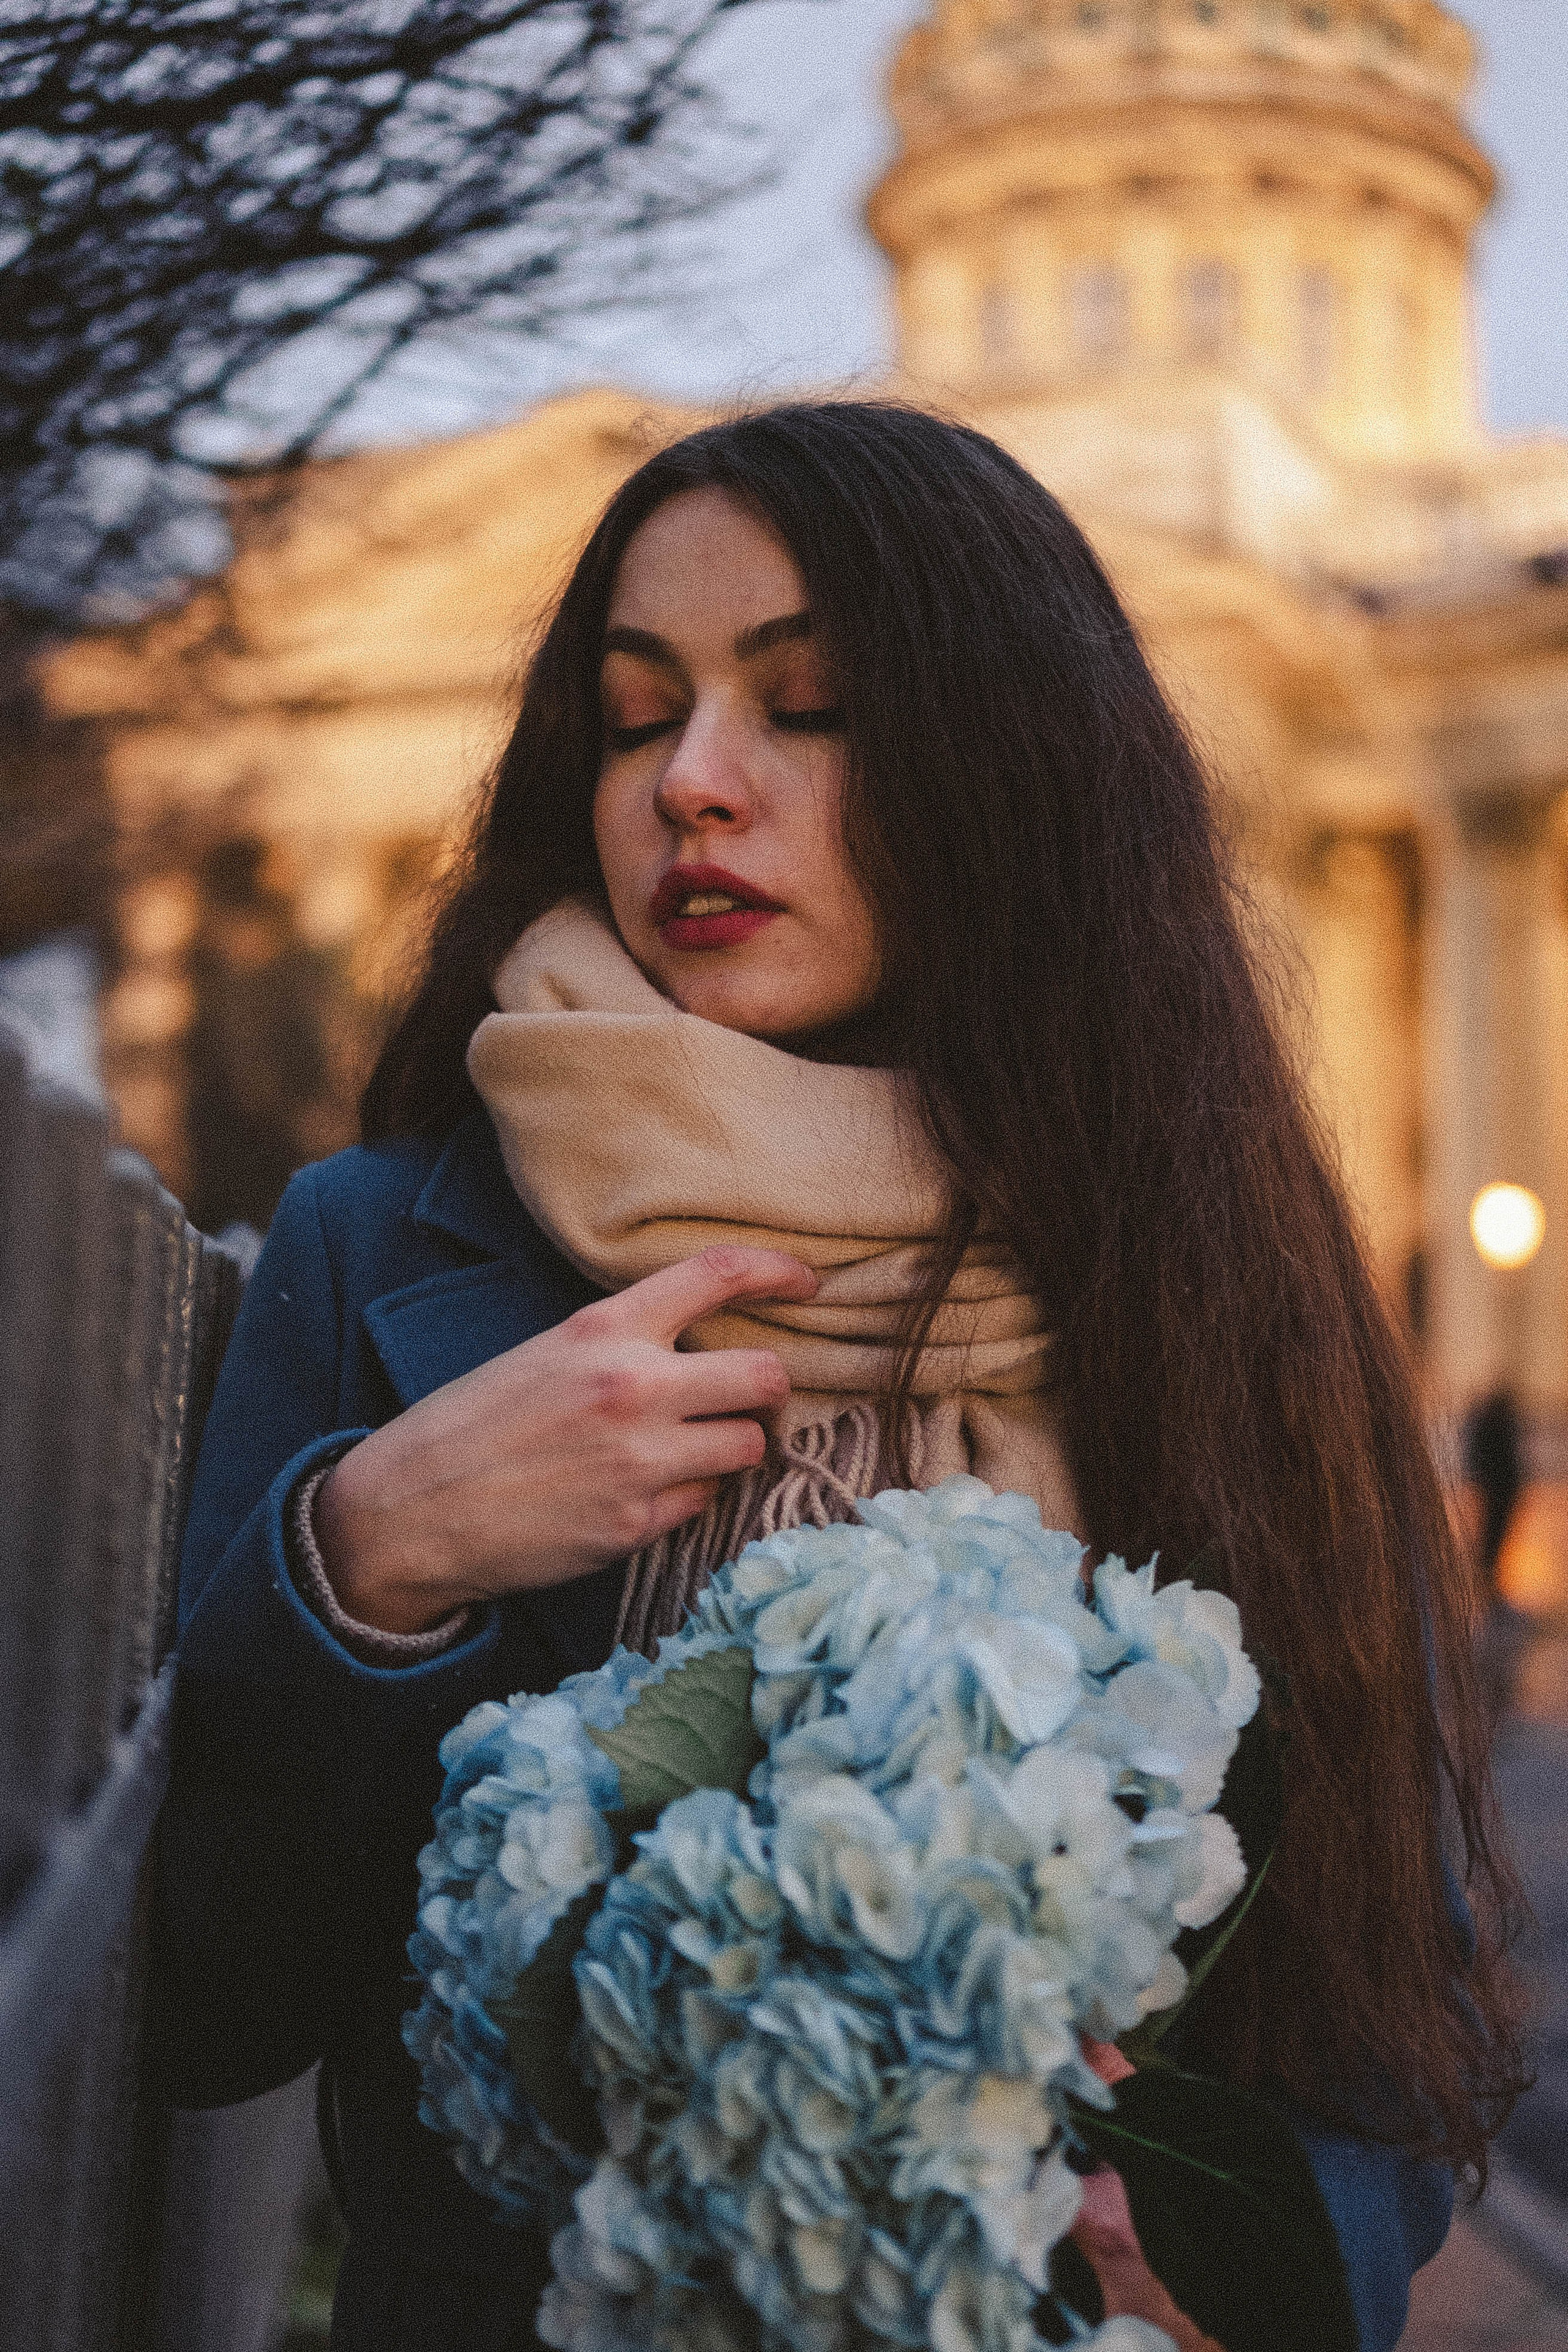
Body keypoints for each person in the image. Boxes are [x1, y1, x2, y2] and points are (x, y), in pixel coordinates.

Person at [158, 404, 1523, 2352]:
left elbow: (1384, 2015)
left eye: (809, 705)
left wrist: (1228, 2271)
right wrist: (373, 1555)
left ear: (1011, 768)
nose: (695, 784)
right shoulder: (381, 1252)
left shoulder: (1218, 1292)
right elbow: (207, 2009)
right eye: (638, 717)